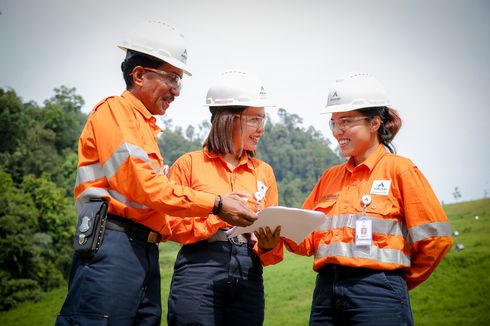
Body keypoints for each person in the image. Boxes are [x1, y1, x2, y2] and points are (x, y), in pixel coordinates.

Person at [56, 21, 258, 326]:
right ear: (139, 75)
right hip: (112, 246)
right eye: (172, 79)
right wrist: (217, 204)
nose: (176, 91)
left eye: (180, 82)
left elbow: (160, 202)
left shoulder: (144, 128)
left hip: (143, 252)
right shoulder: (115, 113)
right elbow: (148, 188)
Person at [263, 72, 453, 325]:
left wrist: (395, 283)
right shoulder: (330, 177)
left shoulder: (400, 170)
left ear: (374, 123)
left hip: (378, 291)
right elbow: (307, 241)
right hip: (326, 293)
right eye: (333, 123)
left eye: (346, 122)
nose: (337, 132)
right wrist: (277, 231)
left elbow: (435, 238)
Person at [166, 69, 281, 326]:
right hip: (198, 268)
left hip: (249, 271)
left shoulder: (264, 172)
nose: (261, 129)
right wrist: (218, 212)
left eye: (263, 120)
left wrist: (267, 244)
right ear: (228, 119)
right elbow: (170, 225)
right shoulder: (188, 165)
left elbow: (270, 243)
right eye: (254, 120)